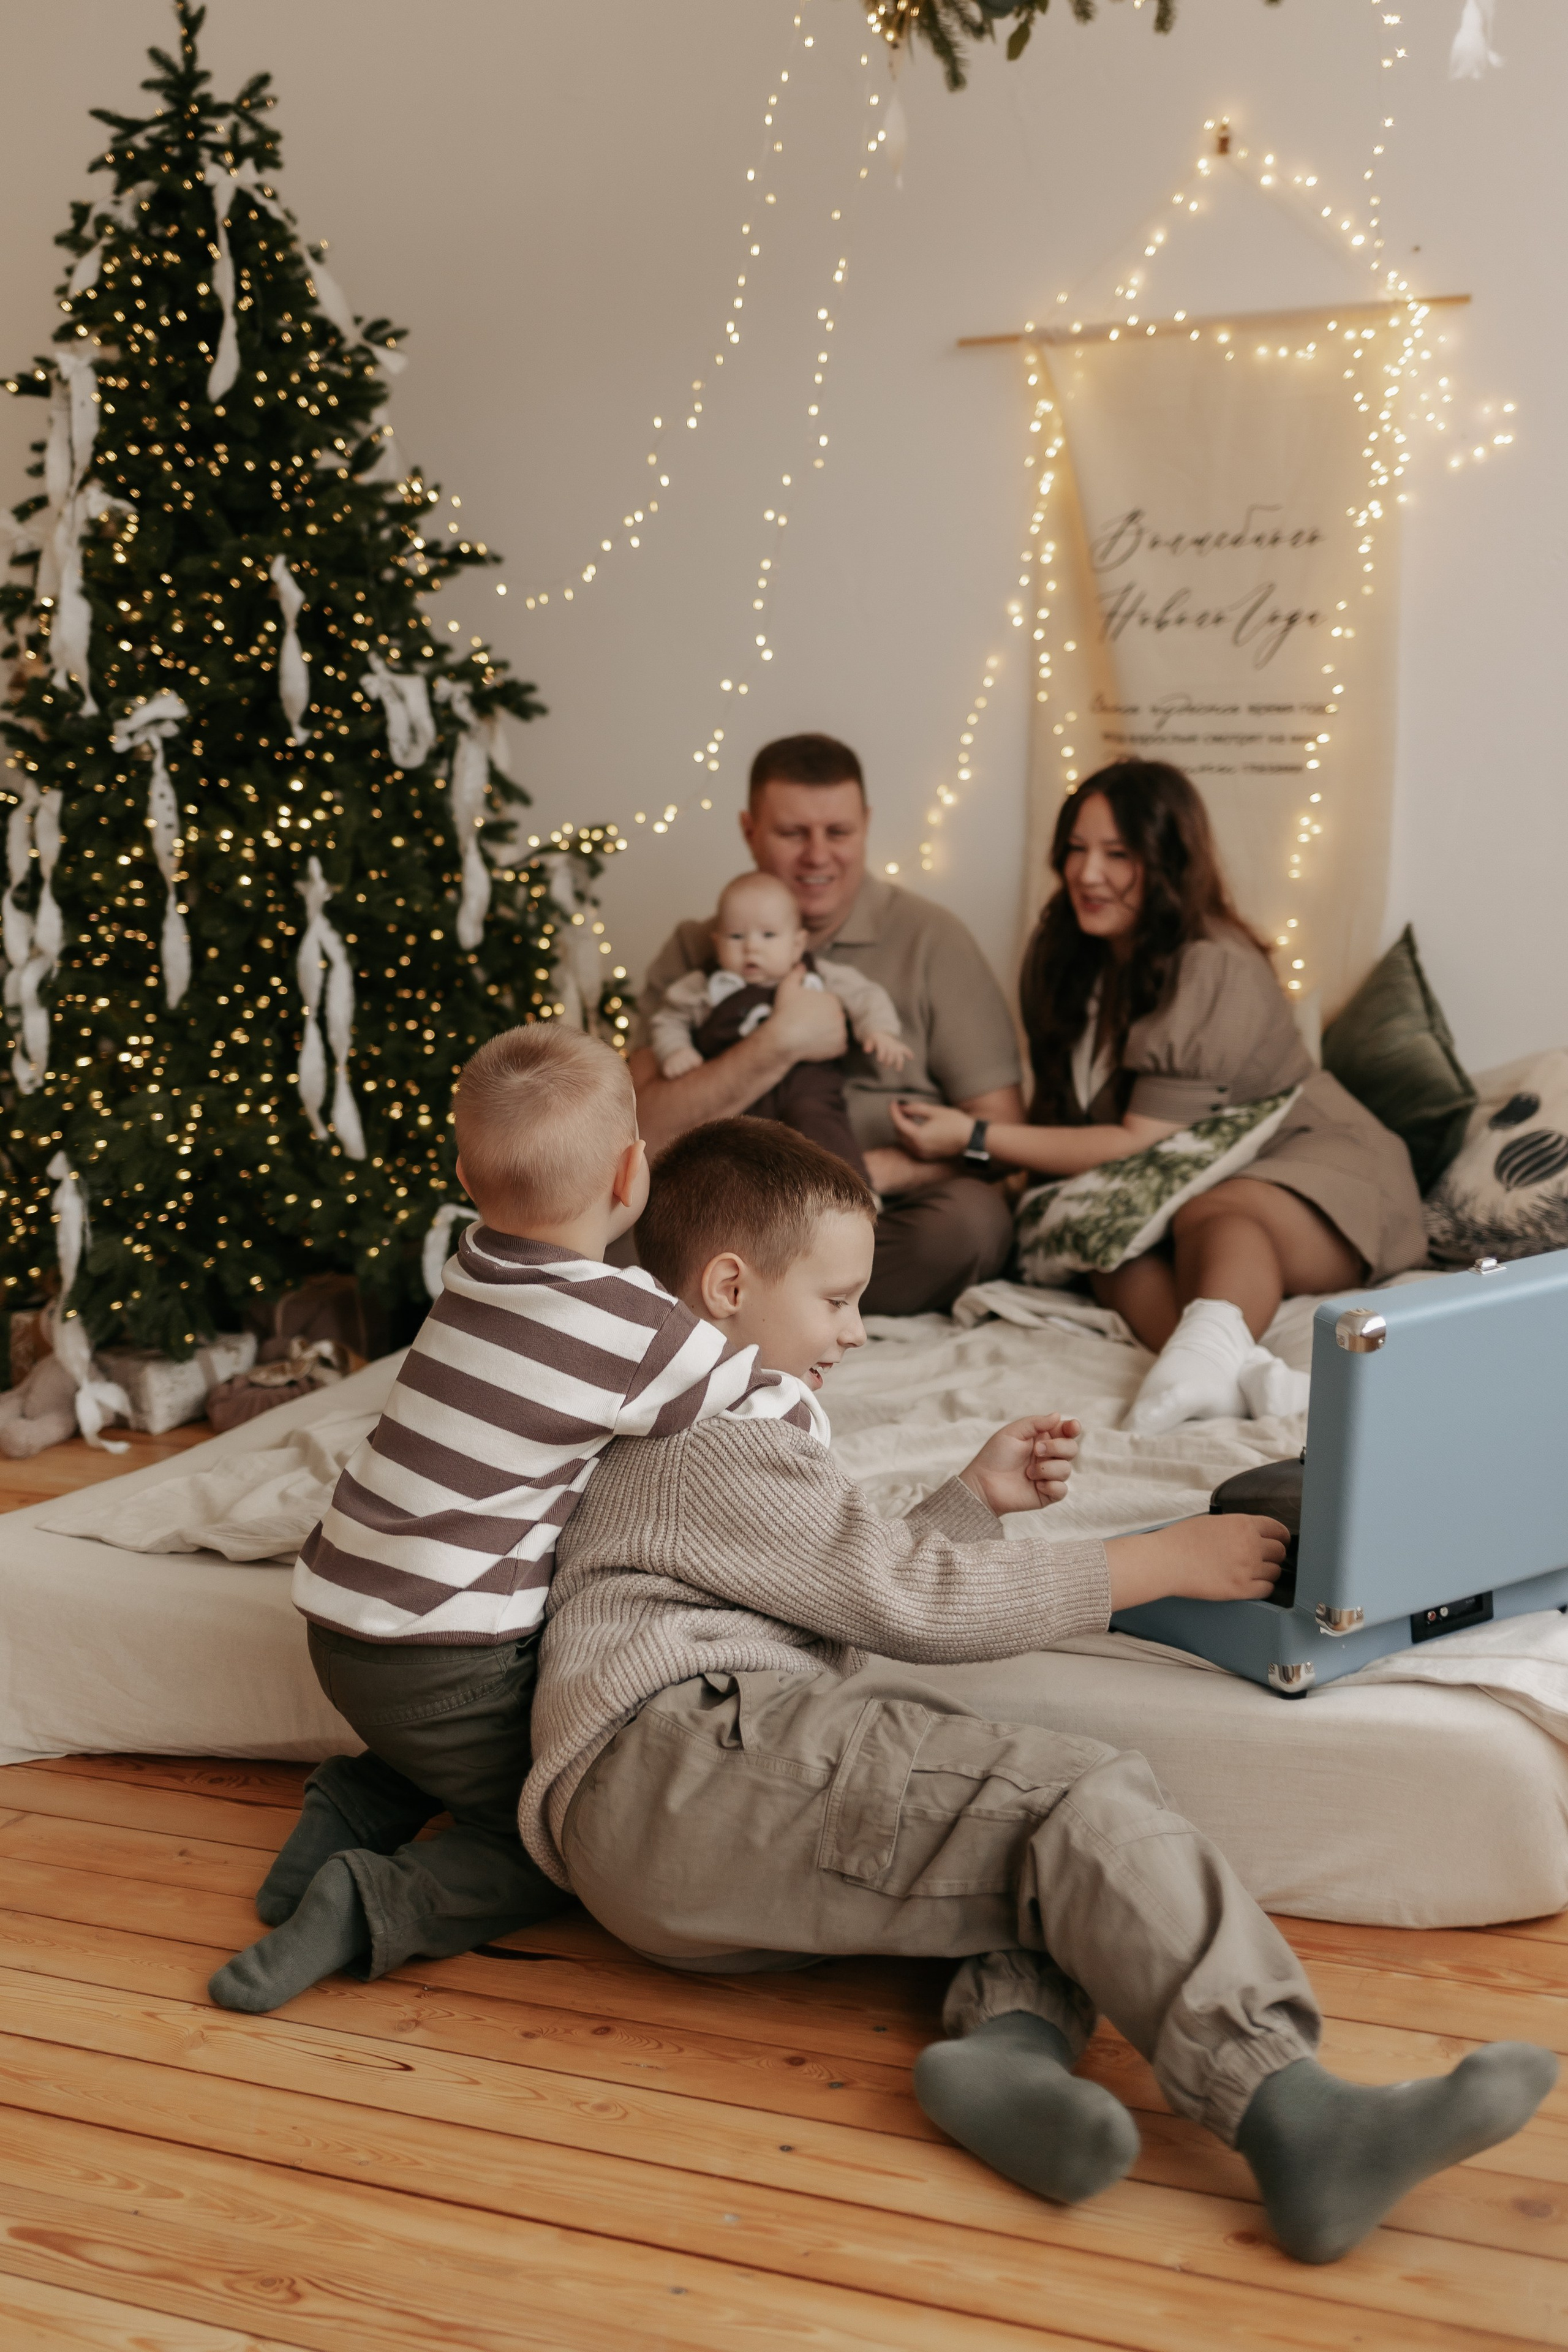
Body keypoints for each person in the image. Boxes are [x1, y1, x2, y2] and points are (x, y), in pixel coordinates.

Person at [521, 1118, 1554, 2265]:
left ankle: (1008, 2051)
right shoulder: (713, 1441)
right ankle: (1298, 2114)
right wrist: (1152, 1564)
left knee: (1017, 1837)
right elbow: (913, 1605)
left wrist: (971, 1501)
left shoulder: (707, 1436)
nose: (857, 1332)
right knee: (1080, 1800)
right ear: (728, 1289)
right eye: (839, 1301)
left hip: (674, 1820)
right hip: (682, 1763)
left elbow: (839, 1586)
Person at [206, 1023, 817, 2015]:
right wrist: (815, 1414)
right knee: (557, 1834)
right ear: (633, 1173)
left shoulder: (470, 1265)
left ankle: (350, 1807)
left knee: (449, 1753)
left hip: (339, 1625)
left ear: (465, 1177)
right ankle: (371, 1905)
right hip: (445, 1658)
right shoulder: (632, 1325)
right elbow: (769, 1406)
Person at [891, 761, 1427, 1433]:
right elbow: (1074, 1124)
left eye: (1118, 854)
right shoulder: (1065, 955)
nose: (1088, 874)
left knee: (1215, 1210)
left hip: (1306, 1158)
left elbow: (1139, 1140)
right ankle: (1242, 1378)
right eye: (1077, 849)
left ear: (1169, 862)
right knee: (1101, 1246)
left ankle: (1210, 1361)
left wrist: (971, 1136)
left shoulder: (1212, 964)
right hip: (1163, 1181)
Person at [629, 732, 1024, 1315]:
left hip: (879, 1214)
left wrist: (855, 1181)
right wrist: (779, 1042)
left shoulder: (932, 938)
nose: (818, 856)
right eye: (793, 833)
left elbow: (1003, 1133)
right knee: (617, 1229)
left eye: (838, 832)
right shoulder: (698, 947)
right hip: (730, 1218)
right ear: (749, 831)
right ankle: (791, 1302)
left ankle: (765, 1305)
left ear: (866, 826)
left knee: (972, 1225)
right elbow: (639, 1131)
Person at [646, 868, 908, 1183]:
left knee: (824, 1129)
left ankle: (851, 1192)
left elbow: (864, 995)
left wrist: (878, 1030)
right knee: (737, 1153)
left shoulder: (817, 975)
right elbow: (669, 1018)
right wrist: (675, 1049)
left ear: (797, 944)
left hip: (808, 1085)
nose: (752, 948)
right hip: (742, 1093)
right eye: (736, 937)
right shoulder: (706, 987)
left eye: (768, 936)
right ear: (717, 942)